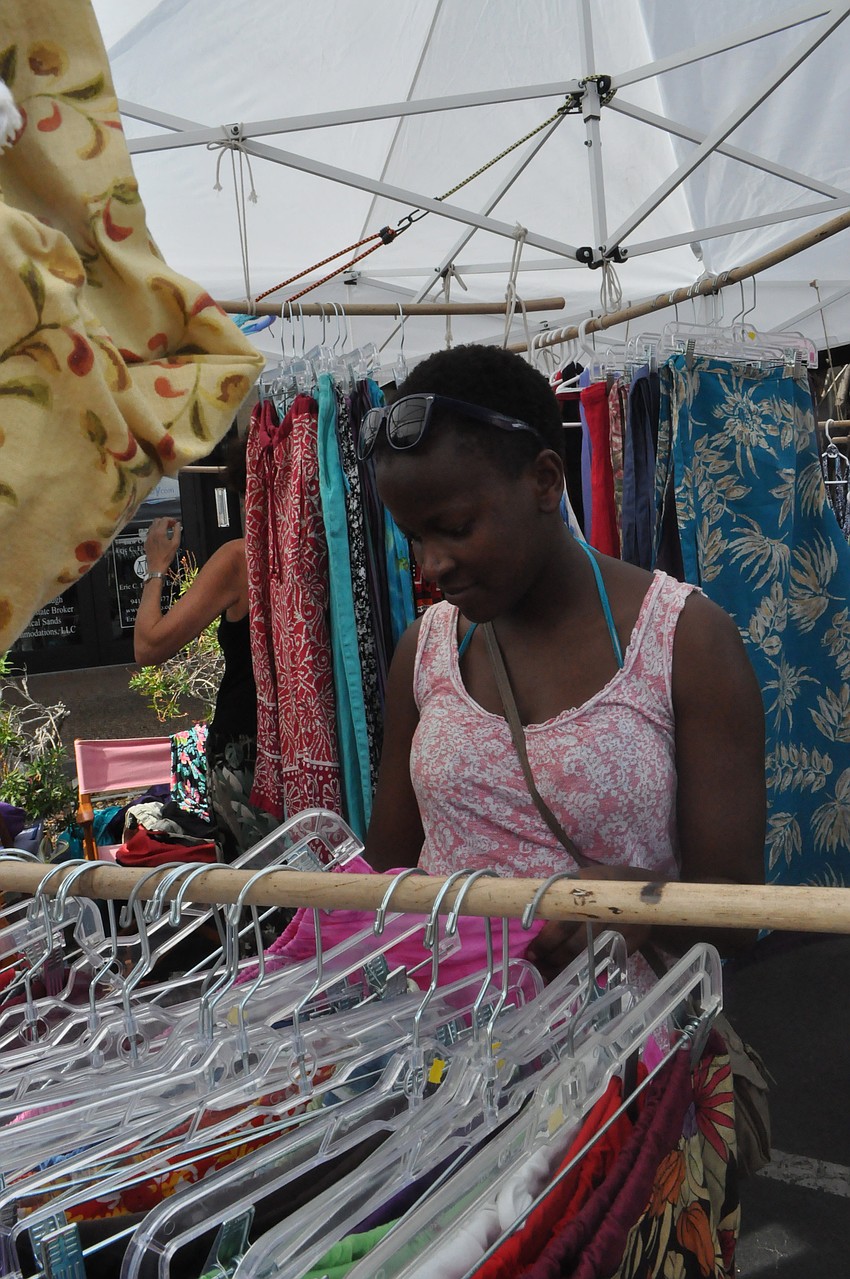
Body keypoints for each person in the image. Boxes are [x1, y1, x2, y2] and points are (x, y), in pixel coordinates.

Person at [362, 344, 766, 983]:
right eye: (415, 538)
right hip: (447, 1060)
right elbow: (385, 880)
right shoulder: (427, 650)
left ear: (547, 481)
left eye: (457, 528)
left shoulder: (686, 642)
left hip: (627, 1064)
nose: (432, 566)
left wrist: (640, 906)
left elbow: (740, 910)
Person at [133, 436, 279, 861]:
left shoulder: (241, 558)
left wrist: (156, 567)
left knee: (266, 896)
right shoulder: (331, 547)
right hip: (316, 744)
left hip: (247, 749)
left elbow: (148, 645)